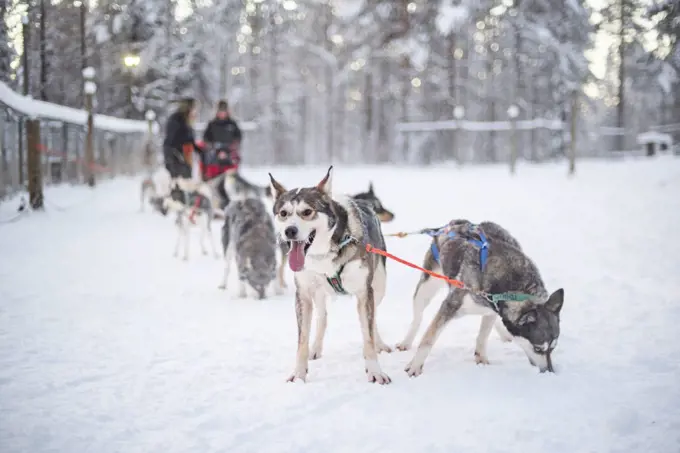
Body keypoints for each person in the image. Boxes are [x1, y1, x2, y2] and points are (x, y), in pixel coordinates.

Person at [201, 100, 243, 180]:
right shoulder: (212, 124)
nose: (222, 113)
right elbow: (206, 139)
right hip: (214, 153)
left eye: (224, 111)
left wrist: (231, 148)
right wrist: (213, 148)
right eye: (221, 111)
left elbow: (238, 138)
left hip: (229, 152)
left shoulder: (232, 124)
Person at [162, 97, 202, 180]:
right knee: (178, 180)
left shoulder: (187, 121)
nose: (196, 112)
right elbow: (172, 139)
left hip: (184, 155)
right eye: (194, 109)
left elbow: (189, 139)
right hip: (175, 155)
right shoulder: (176, 119)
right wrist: (176, 154)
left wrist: (199, 150)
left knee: (186, 178)